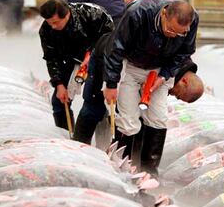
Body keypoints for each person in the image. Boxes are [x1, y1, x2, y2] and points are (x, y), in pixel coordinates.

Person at [102, 0, 200, 175]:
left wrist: (164, 75)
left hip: (161, 69)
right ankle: (121, 169)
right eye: (170, 29)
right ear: (164, 13)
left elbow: (185, 52)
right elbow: (116, 48)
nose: (173, 35)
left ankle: (149, 171)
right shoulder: (138, 13)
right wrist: (110, 83)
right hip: (132, 67)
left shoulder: (192, 21)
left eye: (180, 33)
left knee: (158, 118)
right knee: (129, 121)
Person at [73, 32, 204, 145]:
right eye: (178, 94)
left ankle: (122, 157)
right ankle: (80, 146)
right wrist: (111, 85)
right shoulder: (162, 56)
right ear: (184, 81)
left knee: (133, 117)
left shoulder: (174, 65)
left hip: (126, 71)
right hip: (107, 57)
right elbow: (120, 59)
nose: (173, 95)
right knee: (94, 105)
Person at [39, 0, 114, 131]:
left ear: (67, 14)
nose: (53, 27)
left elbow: (110, 38)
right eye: (50, 23)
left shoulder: (92, 14)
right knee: (59, 101)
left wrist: (93, 53)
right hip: (70, 60)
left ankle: (95, 140)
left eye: (56, 22)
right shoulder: (46, 29)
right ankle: (66, 141)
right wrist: (59, 84)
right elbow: (51, 58)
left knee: (95, 100)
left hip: (100, 59)